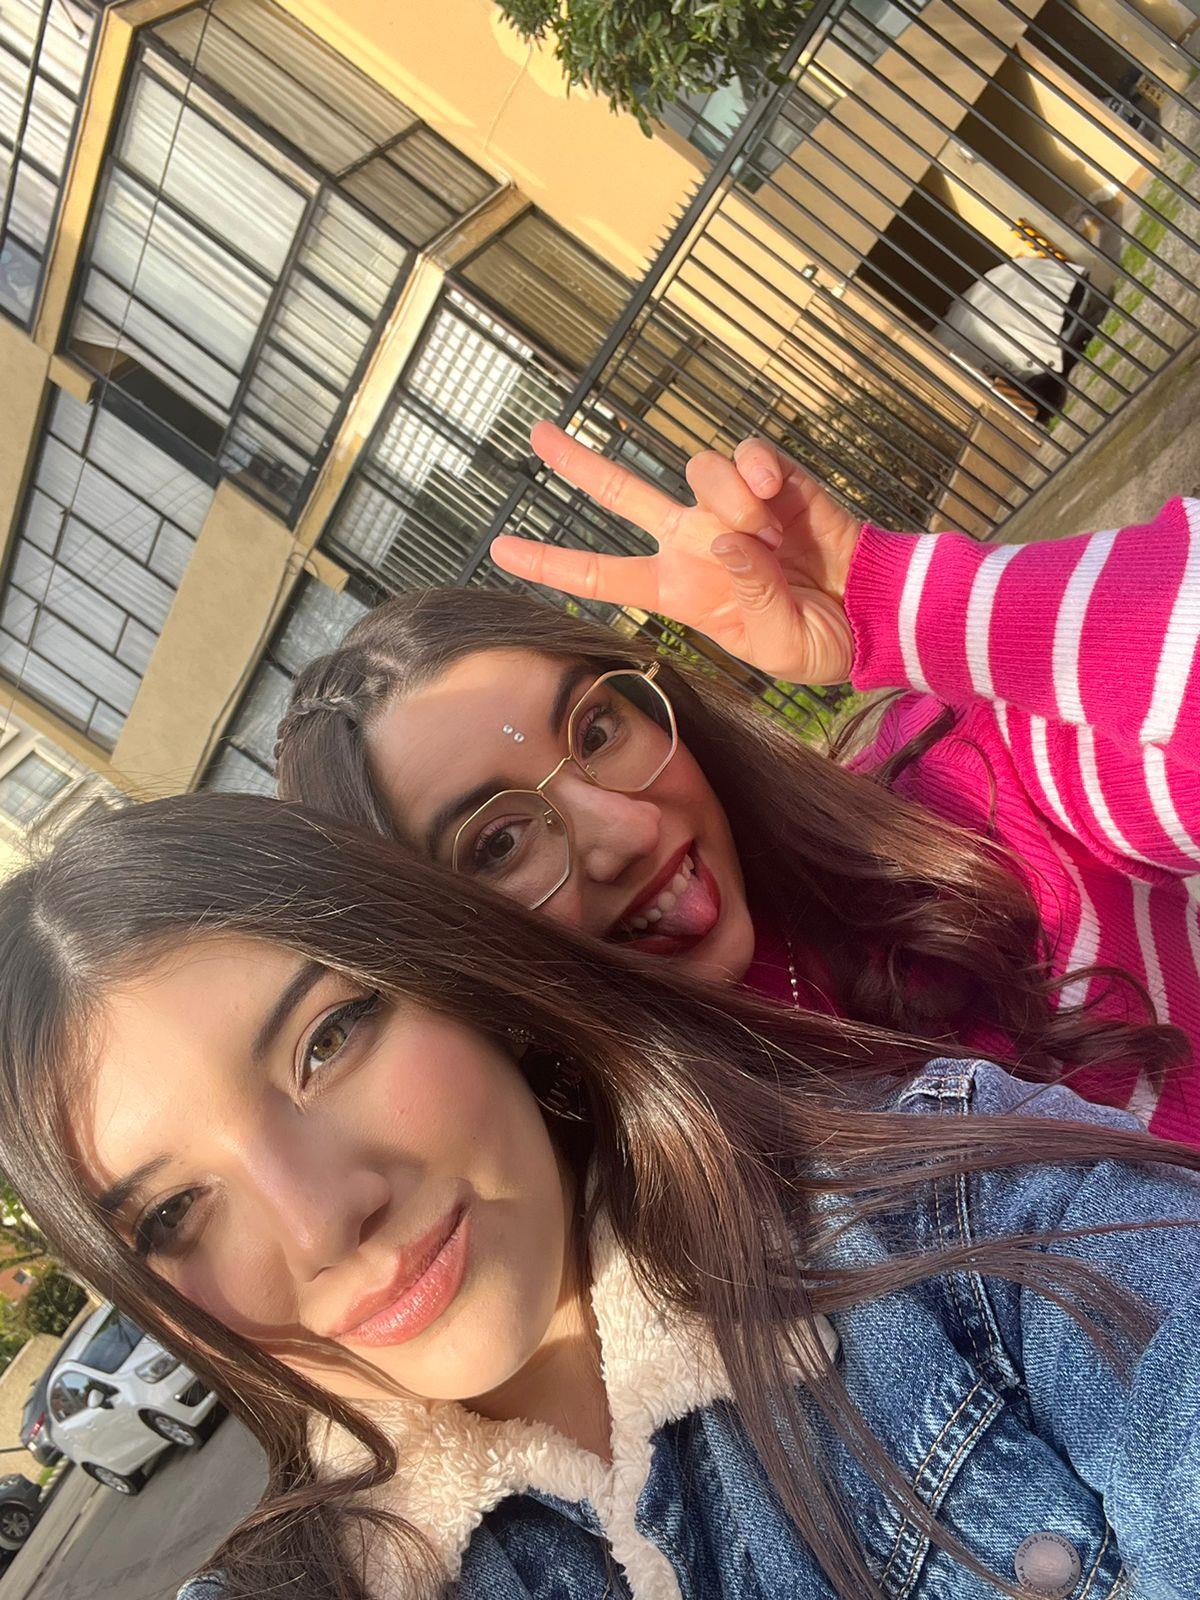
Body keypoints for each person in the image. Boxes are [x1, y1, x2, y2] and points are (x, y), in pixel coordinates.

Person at [2, 792, 1200, 1600]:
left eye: (326, 1041)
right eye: (173, 1215)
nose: (321, 1220)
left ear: (459, 979)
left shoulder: (950, 1210)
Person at [275, 427, 1199, 1141]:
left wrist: (894, 601)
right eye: (500, 843)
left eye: (596, 730)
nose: (626, 831)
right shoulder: (659, 1256)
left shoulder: (961, 813)